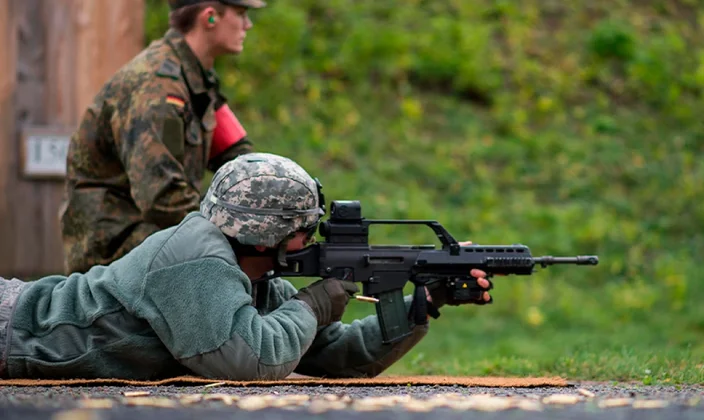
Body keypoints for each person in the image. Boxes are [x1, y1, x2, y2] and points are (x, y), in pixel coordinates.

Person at [0, 153, 493, 380]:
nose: (311, 239)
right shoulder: (195, 260)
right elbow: (252, 361)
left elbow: (334, 355)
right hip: (12, 330)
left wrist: (425, 301)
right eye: (304, 228)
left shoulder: (251, 270)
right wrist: (315, 303)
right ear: (266, 234)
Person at [60, 0, 266, 274]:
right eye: (240, 14)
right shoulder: (156, 86)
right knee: (232, 263)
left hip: (151, 240)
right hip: (114, 255)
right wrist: (241, 231)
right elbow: (162, 198)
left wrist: (275, 201)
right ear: (210, 17)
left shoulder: (195, 80)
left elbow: (238, 157)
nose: (247, 25)